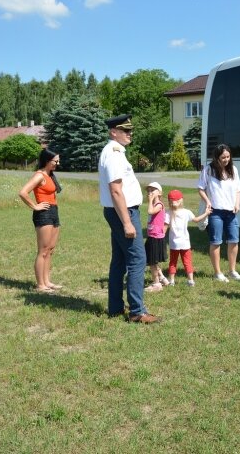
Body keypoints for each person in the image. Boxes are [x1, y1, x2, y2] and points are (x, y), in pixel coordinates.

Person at [98, 114, 160, 323]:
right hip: (123, 212)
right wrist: (127, 222)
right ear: (113, 132)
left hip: (119, 211)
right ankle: (137, 311)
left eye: (130, 130)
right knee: (137, 259)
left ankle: (115, 307)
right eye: (125, 131)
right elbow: (116, 190)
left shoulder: (115, 151)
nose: (129, 134)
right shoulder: (114, 153)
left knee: (120, 261)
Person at [18, 149, 63, 294]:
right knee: (43, 250)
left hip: (53, 212)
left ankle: (47, 281)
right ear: (47, 160)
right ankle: (40, 285)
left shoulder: (50, 176)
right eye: (55, 161)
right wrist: (35, 206)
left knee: (50, 250)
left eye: (58, 161)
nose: (58, 163)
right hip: (43, 214)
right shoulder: (39, 175)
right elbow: (23, 192)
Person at [198, 143, 240, 282]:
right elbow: (201, 188)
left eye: (228, 156)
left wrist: (237, 204)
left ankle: (232, 271)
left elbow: (238, 189)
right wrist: (207, 201)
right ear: (217, 157)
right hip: (215, 211)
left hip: (231, 211)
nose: (226, 160)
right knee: (216, 241)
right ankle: (218, 273)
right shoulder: (208, 170)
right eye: (223, 157)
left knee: (234, 241)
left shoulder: (233, 170)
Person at [164, 189, 211, 286]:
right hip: (185, 243)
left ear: (169, 201)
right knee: (187, 262)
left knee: (173, 262)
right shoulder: (187, 212)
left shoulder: (167, 213)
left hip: (173, 243)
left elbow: (164, 227)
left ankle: (171, 281)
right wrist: (206, 213)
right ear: (181, 200)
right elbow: (197, 220)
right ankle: (190, 281)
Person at [144, 182, 170, 293]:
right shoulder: (154, 204)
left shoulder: (159, 205)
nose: (150, 192)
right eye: (148, 190)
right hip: (151, 236)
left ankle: (156, 283)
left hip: (156, 237)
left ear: (159, 193)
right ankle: (163, 279)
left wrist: (150, 201)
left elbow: (150, 211)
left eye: (152, 190)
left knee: (152, 262)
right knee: (152, 260)